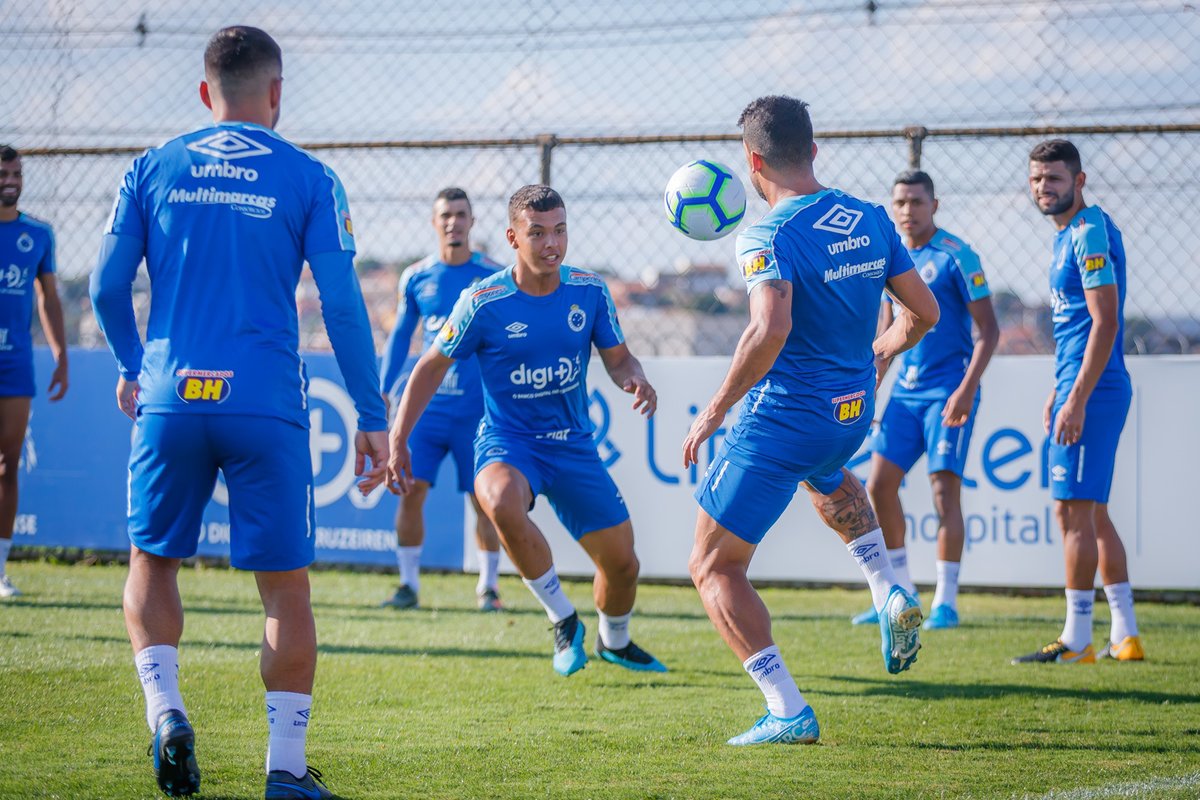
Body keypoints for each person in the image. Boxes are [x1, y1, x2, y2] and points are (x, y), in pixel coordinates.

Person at [90, 26, 388, 799]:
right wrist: (371, 413)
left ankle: (166, 712)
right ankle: (285, 769)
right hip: (263, 400)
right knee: (286, 591)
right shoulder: (311, 178)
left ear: (203, 93)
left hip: (170, 396)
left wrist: (133, 364)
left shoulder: (151, 167)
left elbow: (103, 289)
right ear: (278, 94)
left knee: (152, 563)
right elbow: (344, 306)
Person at [683, 95, 940, 746]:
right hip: (850, 411)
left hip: (784, 417)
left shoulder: (766, 234)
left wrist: (714, 411)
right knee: (828, 476)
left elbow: (770, 330)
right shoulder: (872, 219)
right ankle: (886, 588)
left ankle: (786, 708)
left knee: (713, 567)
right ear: (815, 150)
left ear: (753, 161)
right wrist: (880, 353)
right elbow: (924, 314)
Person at [384, 185, 667, 677]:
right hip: (508, 442)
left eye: (559, 230)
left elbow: (619, 360)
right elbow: (429, 367)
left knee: (623, 566)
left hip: (573, 445)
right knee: (494, 498)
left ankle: (614, 641)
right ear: (514, 237)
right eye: (537, 233)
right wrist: (397, 437)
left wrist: (636, 379)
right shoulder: (483, 299)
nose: (552, 243)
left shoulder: (589, 290)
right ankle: (563, 618)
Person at [1012, 139, 1142, 665]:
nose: (1045, 188)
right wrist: (1060, 390)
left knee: (1070, 514)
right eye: (1038, 179)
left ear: (1079, 181)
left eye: (1056, 179)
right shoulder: (1071, 234)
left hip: (1096, 391)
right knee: (1094, 515)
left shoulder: (1087, 233)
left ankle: (1077, 640)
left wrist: (1077, 399)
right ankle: (1125, 635)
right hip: (1083, 387)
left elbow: (1106, 320)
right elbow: (1079, 329)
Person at [851, 170, 999, 630]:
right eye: (900, 203)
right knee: (877, 486)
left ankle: (947, 602)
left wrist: (966, 389)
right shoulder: (889, 259)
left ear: (934, 205)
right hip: (905, 395)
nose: (907, 211)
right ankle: (901, 594)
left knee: (942, 492)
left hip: (947, 393)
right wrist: (873, 380)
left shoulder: (957, 255)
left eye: (916, 202)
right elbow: (888, 334)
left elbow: (989, 332)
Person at [377, 188, 504, 612]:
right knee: (411, 493)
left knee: (485, 502)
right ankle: (408, 585)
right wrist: (383, 388)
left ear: (472, 221)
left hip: (477, 413)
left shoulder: (492, 276)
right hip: (428, 414)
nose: (453, 222)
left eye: (461, 215)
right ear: (435, 223)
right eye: (446, 215)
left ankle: (488, 588)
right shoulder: (415, 276)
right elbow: (400, 337)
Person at [0, 145, 69, 598]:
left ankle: (0, 571)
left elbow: (47, 297)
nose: (12, 179)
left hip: (15, 366)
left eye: (17, 172)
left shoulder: (38, 234)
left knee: (7, 466)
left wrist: (61, 354)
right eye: (4, 172)